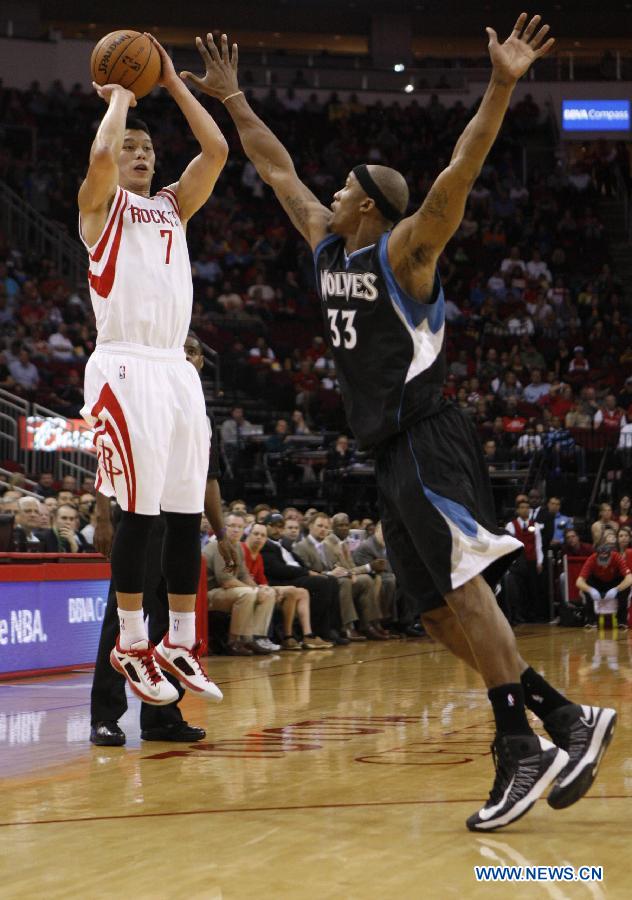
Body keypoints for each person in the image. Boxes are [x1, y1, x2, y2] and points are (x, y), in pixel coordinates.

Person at [190, 15, 616, 831]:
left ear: (372, 204)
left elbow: (461, 168)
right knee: (429, 612)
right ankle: (564, 717)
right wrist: (236, 99)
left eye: (347, 186)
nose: (333, 192)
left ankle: (518, 747)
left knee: (464, 586)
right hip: (388, 451)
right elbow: (276, 169)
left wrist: (500, 84)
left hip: (428, 434)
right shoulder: (326, 245)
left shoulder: (408, 251)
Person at [78, 34, 229, 704]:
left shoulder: (171, 206)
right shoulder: (98, 212)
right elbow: (102, 154)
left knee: (181, 513)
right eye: (131, 150)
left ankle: (178, 640)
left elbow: (218, 151)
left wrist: (171, 83)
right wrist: (118, 96)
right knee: (137, 515)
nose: (138, 156)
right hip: (125, 367)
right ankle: (132, 642)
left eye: (148, 150)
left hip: (176, 371)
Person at [89, 335, 237, 745]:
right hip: (139, 523)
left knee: (168, 627)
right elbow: (109, 456)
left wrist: (222, 532)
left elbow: (208, 480)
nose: (185, 356)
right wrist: (102, 516)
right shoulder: (144, 396)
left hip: (180, 527)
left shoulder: (198, 411)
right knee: (122, 623)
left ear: (202, 362)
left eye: (192, 352)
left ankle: (161, 718)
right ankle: (105, 716)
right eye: (180, 350)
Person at [243, 522, 332, 650]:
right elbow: (243, 577)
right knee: (291, 590)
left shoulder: (258, 556)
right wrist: (266, 589)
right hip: (249, 588)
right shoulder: (241, 550)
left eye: (262, 535)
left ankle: (305, 636)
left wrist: (268, 588)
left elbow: (262, 579)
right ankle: (281, 636)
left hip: (261, 586)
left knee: (301, 592)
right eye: (256, 534)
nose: (259, 537)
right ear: (248, 535)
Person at [576, 535, 632, 629]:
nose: (604, 563)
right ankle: (591, 620)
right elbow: (579, 581)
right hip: (598, 583)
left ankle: (622, 621)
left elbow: (629, 578)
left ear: (610, 554)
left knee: (626, 586)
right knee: (587, 582)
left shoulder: (617, 557)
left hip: (614, 582)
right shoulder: (591, 559)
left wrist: (616, 589)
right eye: (601, 559)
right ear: (597, 555)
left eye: (606, 558)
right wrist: (590, 590)